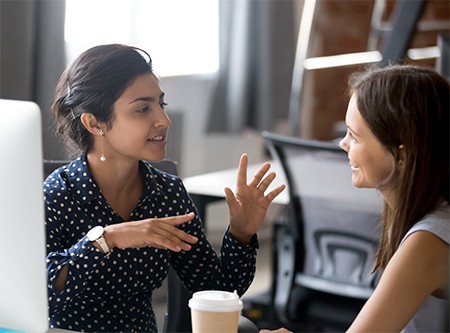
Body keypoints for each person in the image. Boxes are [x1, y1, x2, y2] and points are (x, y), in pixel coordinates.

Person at [44, 43, 286, 332]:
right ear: (94, 123)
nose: (163, 119)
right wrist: (108, 239)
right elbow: (42, 293)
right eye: (143, 109)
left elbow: (216, 290)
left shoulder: (167, 194)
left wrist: (241, 234)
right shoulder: (58, 194)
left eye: (162, 104)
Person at [262, 64, 449, 333]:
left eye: (355, 135)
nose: (342, 143)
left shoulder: (427, 241)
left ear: (402, 156)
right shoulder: (421, 217)